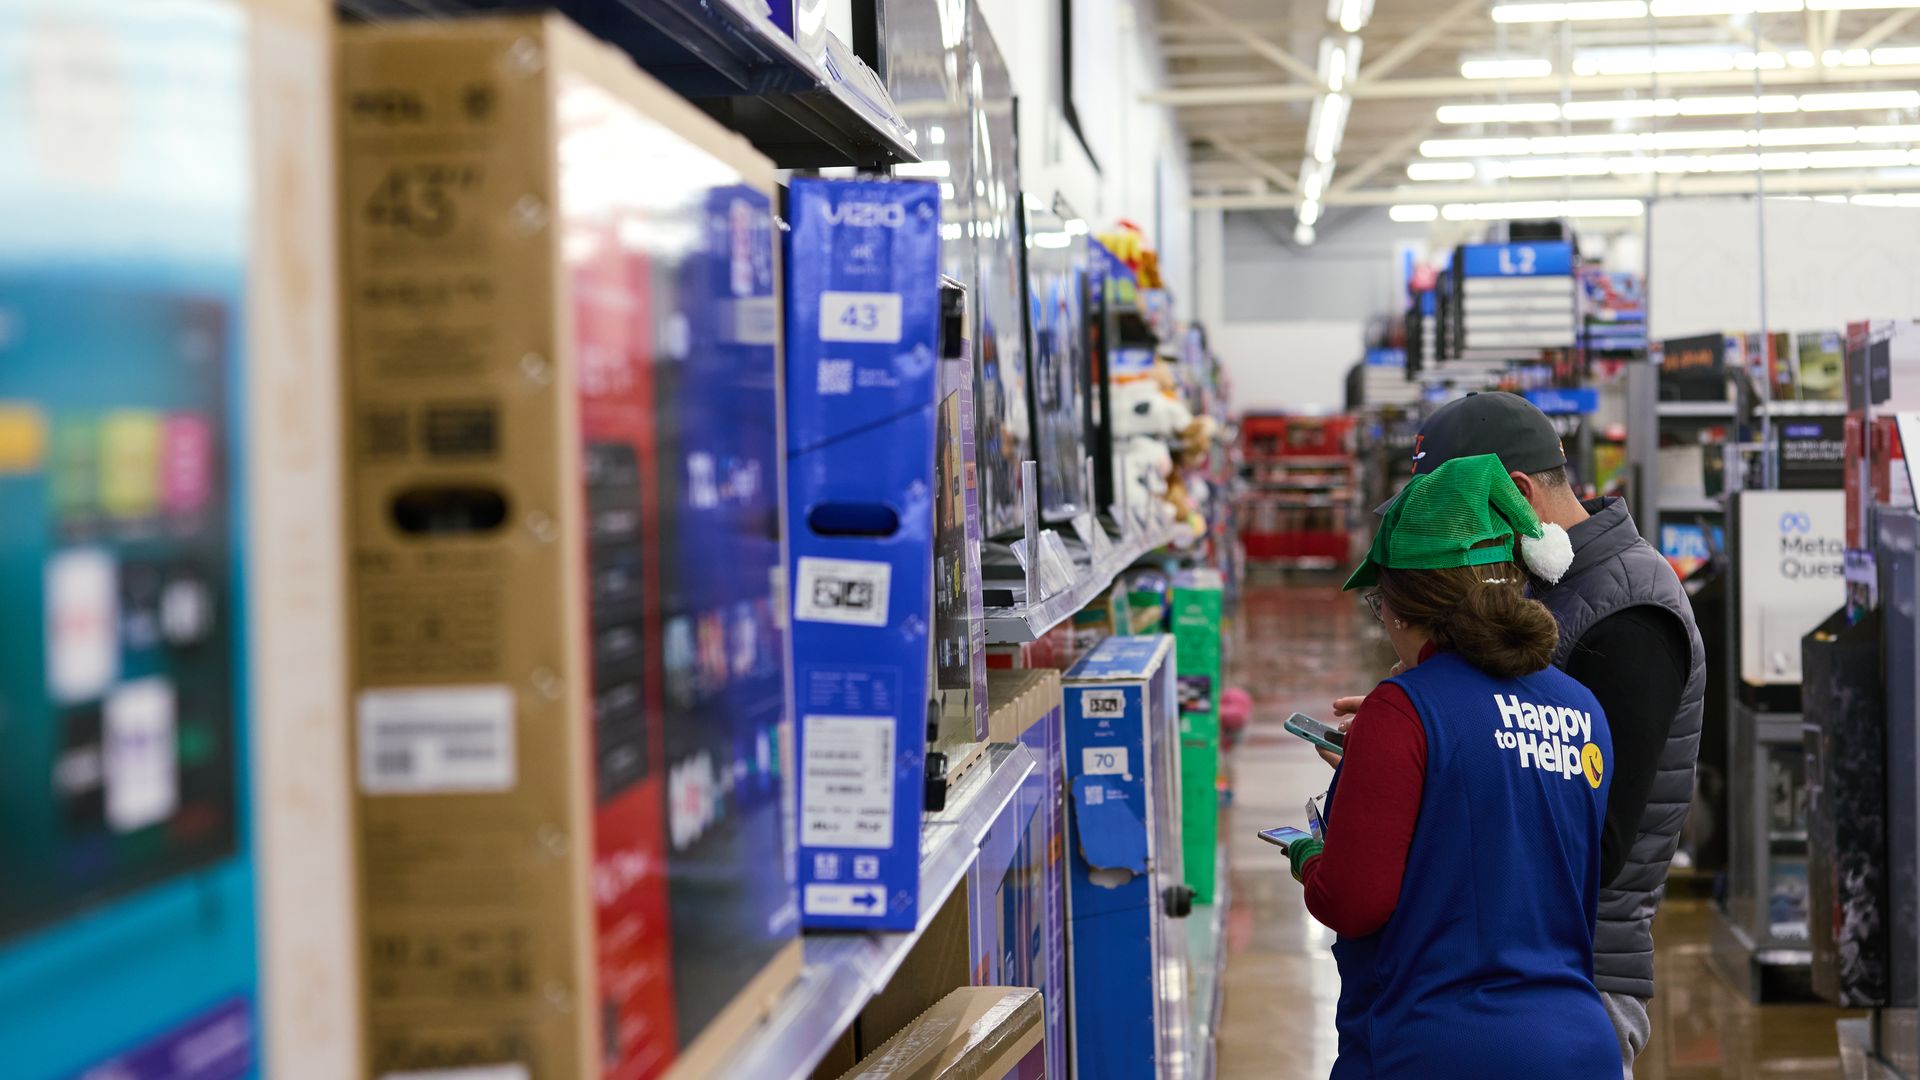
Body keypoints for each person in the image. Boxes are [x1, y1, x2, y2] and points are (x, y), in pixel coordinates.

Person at [1328, 392, 1702, 1078]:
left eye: (1464, 507)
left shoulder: (1629, 611)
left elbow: (1597, 840)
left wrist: (1432, 751)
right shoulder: (1540, 587)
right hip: (1505, 968)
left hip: (1577, 969)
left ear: (1518, 491)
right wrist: (1409, 755)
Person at [1277, 453, 1619, 1079]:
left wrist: (1309, 855)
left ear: (1402, 607)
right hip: (1579, 1045)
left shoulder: (1403, 710)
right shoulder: (1582, 709)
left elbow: (1354, 902)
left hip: (1438, 1046)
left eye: (1380, 606)